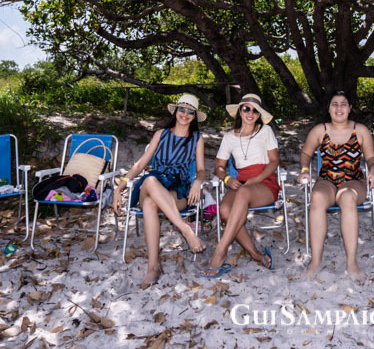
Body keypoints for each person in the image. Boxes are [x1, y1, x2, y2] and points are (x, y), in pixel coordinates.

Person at [113, 94, 208, 288]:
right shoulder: (161, 134)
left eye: (190, 112)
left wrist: (197, 182)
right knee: (149, 179)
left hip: (178, 188)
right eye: (182, 109)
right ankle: (185, 229)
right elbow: (140, 165)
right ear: (175, 111)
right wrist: (118, 189)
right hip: (153, 182)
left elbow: (201, 170)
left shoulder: (197, 139)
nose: (185, 114)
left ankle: (153, 267)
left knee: (149, 202)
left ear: (194, 117)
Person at [298, 91, 374, 283]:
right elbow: (306, 154)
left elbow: (371, 158)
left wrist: (373, 170)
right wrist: (304, 169)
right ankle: (316, 261)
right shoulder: (320, 130)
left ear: (350, 108)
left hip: (354, 181)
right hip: (326, 181)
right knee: (316, 198)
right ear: (329, 108)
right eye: (335, 104)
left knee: (347, 197)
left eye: (344, 104)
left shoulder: (360, 130)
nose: (339, 108)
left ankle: (352, 263)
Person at [201, 93, 280, 277]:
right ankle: (256, 255)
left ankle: (219, 254)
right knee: (224, 211)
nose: (250, 113)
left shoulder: (265, 131)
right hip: (241, 182)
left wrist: (257, 179)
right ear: (240, 111)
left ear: (259, 114)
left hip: (264, 181)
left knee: (243, 192)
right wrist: (228, 179)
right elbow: (219, 167)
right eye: (246, 108)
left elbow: (274, 161)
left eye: (255, 110)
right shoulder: (229, 137)